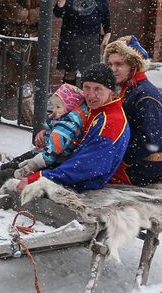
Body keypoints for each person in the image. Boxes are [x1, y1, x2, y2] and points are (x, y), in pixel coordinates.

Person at [15, 63, 129, 194]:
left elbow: (86, 167)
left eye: (98, 89)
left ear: (111, 91)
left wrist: (39, 177)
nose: (91, 95)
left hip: (84, 182)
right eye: (86, 88)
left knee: (11, 176)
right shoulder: (97, 109)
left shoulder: (111, 122)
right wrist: (49, 132)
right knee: (19, 164)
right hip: (70, 168)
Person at [0, 83, 88, 194]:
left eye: (58, 107)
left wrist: (30, 167)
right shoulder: (68, 119)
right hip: (45, 153)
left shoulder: (65, 126)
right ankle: (2, 170)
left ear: (71, 106)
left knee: (18, 165)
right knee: (20, 160)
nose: (54, 111)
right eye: (54, 106)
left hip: (47, 159)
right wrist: (46, 131)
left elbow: (51, 154)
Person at [104, 35, 162, 186]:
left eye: (119, 64)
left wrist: (116, 159)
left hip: (141, 168)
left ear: (134, 65)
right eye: (110, 64)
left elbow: (148, 142)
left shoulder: (146, 96)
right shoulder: (129, 90)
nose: (113, 69)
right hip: (131, 162)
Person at [53, 0, 111, 83]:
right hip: (70, 37)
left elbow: (105, 12)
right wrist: (61, 3)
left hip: (90, 37)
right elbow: (58, 14)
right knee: (70, 71)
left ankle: (87, 100)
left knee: (89, 72)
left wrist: (107, 31)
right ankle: (69, 100)